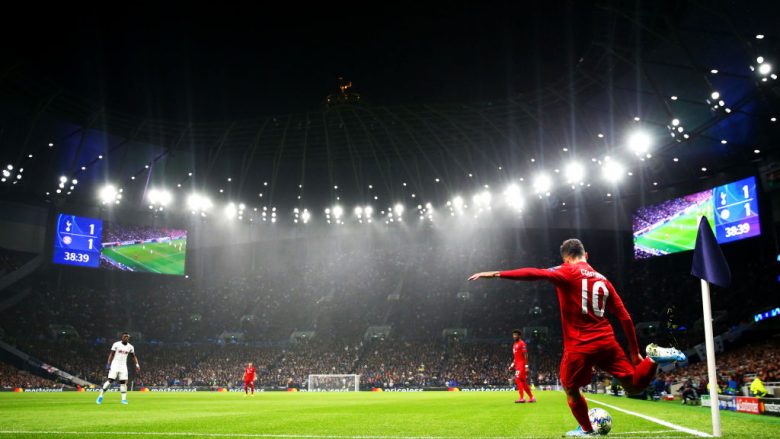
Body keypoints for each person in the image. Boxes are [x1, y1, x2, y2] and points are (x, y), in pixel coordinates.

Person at [469, 238, 685, 436]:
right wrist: (635, 352)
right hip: (607, 342)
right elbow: (626, 318)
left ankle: (587, 429)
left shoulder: (566, 271)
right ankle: (652, 359)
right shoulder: (604, 280)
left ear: (566, 258)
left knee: (570, 388)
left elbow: (535, 273)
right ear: (586, 255)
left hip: (580, 345)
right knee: (635, 386)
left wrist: (497, 273)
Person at [96, 332, 140, 405]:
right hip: (115, 365)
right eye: (125, 336)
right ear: (122, 337)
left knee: (123, 382)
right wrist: (108, 363)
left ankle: (123, 400)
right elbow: (111, 354)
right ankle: (101, 395)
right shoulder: (116, 344)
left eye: (127, 337)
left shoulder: (130, 347)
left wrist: (137, 365)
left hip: (123, 366)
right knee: (110, 380)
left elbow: (133, 356)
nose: (126, 338)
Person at [508, 329, 535, 403]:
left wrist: (526, 366)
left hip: (522, 365)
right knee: (523, 382)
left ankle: (522, 398)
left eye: (516, 335)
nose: (514, 336)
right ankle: (532, 397)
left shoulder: (522, 343)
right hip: (517, 365)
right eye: (513, 335)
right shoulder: (514, 345)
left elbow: (525, 355)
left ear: (519, 336)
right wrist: (511, 365)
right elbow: (515, 357)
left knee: (517, 379)